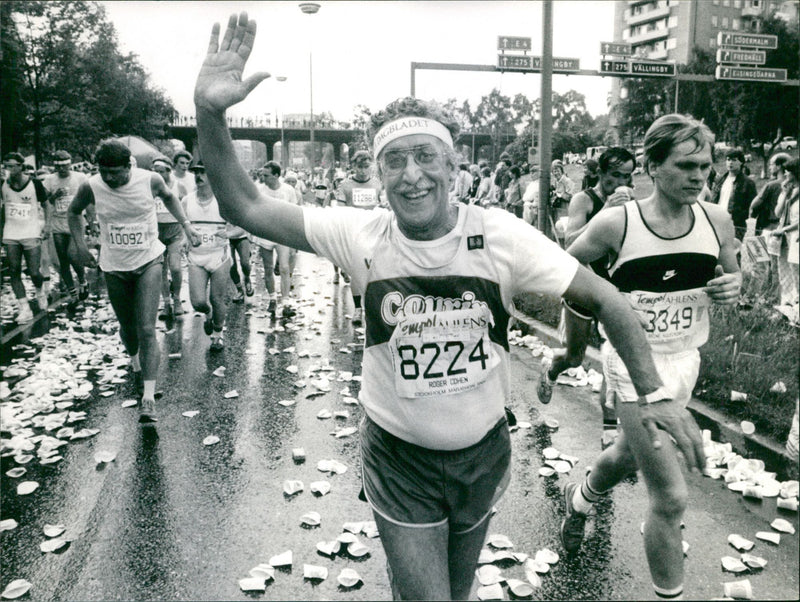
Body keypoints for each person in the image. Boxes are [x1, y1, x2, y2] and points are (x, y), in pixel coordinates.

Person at [193, 15, 706, 599]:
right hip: (398, 457)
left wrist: (654, 391)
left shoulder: (501, 234)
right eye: (394, 161)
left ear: (453, 166)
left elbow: (605, 296)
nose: (412, 176)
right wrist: (211, 114)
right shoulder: (359, 233)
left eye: (426, 158)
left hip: (482, 455)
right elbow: (243, 205)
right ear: (377, 173)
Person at [563, 114, 741, 600]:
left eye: (705, 166)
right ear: (653, 166)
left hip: (687, 358)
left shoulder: (717, 219)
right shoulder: (618, 222)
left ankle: (581, 497)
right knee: (670, 496)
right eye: (686, 166)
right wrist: (604, 309)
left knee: (626, 453)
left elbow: (732, 272)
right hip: (632, 365)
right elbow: (563, 267)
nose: (699, 177)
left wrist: (732, 285)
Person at [68, 139, 200, 422]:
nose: (110, 178)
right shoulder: (91, 185)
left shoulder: (149, 180)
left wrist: (187, 225)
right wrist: (79, 245)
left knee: (146, 328)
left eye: (116, 172)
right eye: (104, 172)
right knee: (127, 329)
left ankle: (149, 398)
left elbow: (169, 197)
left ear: (129, 165)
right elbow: (73, 211)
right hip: (114, 265)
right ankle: (136, 367)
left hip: (148, 260)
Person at [538, 147, 636, 439]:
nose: (620, 182)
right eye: (615, 176)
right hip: (583, 287)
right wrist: (606, 211)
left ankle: (609, 431)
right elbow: (571, 243)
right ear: (601, 174)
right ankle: (551, 369)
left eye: (628, 176)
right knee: (575, 358)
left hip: (613, 291)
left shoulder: (630, 202)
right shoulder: (585, 199)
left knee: (614, 360)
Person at [183, 162, 231, 351]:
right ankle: (208, 313)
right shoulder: (187, 200)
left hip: (218, 256)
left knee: (217, 298)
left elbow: (241, 225)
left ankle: (217, 335)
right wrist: (183, 239)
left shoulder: (223, 200)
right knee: (198, 302)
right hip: (196, 256)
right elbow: (181, 224)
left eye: (203, 172)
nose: (198, 176)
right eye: (196, 172)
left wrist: (229, 232)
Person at [334, 150, 383, 325]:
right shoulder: (345, 185)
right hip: (354, 232)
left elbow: (383, 204)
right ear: (353, 166)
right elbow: (339, 209)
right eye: (359, 166)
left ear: (371, 166)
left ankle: (374, 306)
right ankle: (357, 309)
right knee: (356, 272)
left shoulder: (377, 184)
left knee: (375, 271)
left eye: (366, 166)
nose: (362, 170)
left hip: (374, 232)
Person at [1, 152, 50, 322]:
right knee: (13, 269)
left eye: (12, 166)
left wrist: (48, 225)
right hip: (11, 232)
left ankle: (40, 291)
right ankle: (25, 308)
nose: (8, 169)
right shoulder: (3, 184)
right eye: (6, 165)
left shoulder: (34, 183)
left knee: (33, 271)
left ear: (21, 166)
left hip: (30, 231)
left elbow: (46, 204)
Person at [43, 150, 91, 307]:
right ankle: (73, 293)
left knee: (73, 255)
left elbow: (89, 200)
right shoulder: (49, 180)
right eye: (59, 166)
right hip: (58, 222)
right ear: (55, 166)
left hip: (75, 221)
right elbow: (46, 202)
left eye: (65, 165)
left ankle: (83, 280)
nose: (62, 169)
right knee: (63, 260)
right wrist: (54, 195)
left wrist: (92, 222)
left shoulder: (81, 178)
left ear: (70, 164)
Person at [250, 161, 297, 318]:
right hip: (265, 233)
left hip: (282, 233)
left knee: (284, 267)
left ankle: (285, 302)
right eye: (262, 175)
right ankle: (272, 298)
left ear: (277, 175)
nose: (263, 178)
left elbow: (294, 212)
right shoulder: (259, 189)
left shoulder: (288, 190)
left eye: (267, 175)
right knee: (268, 268)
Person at [152, 156, 187, 324]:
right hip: (157, 232)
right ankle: (166, 303)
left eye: (160, 171)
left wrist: (188, 229)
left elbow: (187, 207)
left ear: (168, 171)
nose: (157, 174)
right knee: (161, 270)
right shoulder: (150, 186)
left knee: (175, 267)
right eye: (155, 171)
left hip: (175, 231)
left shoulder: (178, 186)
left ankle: (177, 298)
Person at [770, 157, 799, 319]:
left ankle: (796, 309)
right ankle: (786, 306)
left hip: (793, 236)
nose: (785, 173)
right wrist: (786, 194)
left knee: (797, 274)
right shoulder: (788, 190)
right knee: (784, 271)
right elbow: (778, 213)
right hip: (784, 238)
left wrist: (785, 229)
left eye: (788, 171)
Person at [710, 148, 757, 242]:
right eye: (728, 159)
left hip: (735, 224)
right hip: (717, 220)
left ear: (741, 162)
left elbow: (752, 206)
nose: (730, 163)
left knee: (734, 251)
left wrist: (740, 217)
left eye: (734, 160)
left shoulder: (748, 183)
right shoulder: (720, 180)